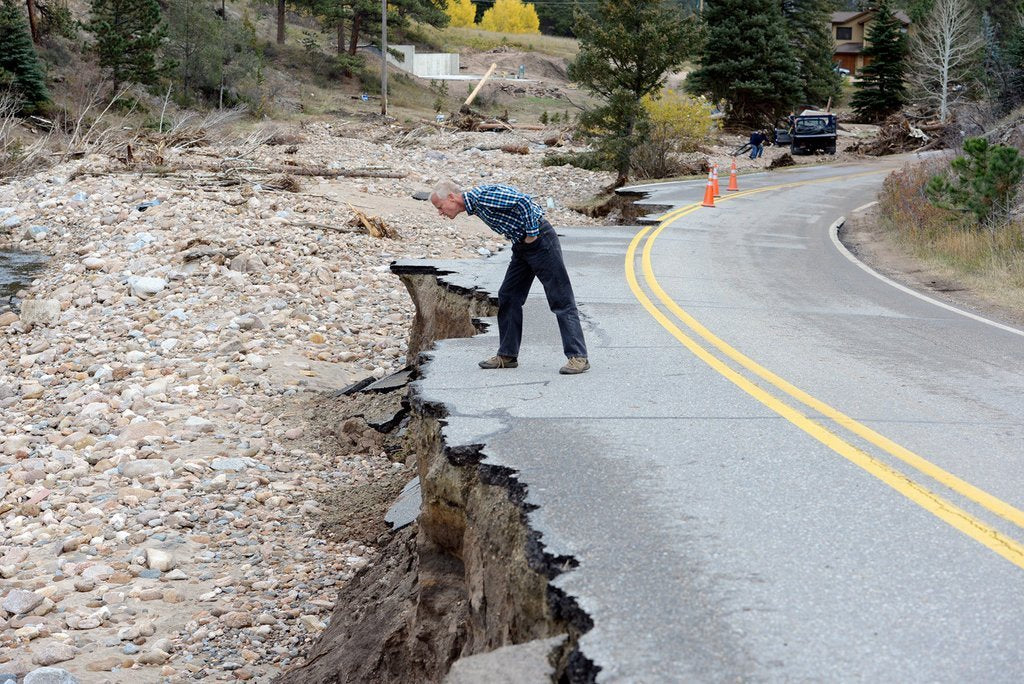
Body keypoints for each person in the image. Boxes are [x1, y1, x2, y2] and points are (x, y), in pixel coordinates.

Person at [430, 180, 590, 375]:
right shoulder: (475, 204)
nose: (440, 212)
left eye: (440, 207)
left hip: (540, 242)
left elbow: (523, 201)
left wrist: (531, 234)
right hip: (522, 246)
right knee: (508, 295)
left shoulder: (482, 197)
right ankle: (507, 355)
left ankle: (578, 357)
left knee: (560, 299)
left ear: (452, 197)